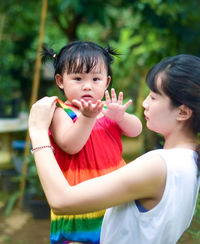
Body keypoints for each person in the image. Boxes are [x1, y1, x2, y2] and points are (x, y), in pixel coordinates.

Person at [29, 54, 200, 244]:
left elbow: (62, 201)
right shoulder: (190, 163)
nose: (144, 103)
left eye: (153, 97)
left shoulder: (157, 166)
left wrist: (37, 131)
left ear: (183, 112)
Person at [41, 41, 143, 244]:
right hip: (80, 199)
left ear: (106, 82)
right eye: (78, 78)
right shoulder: (61, 111)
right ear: (61, 81)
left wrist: (121, 117)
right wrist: (87, 118)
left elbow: (136, 130)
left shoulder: (108, 109)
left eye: (96, 78)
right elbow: (70, 145)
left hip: (114, 194)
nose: (87, 85)